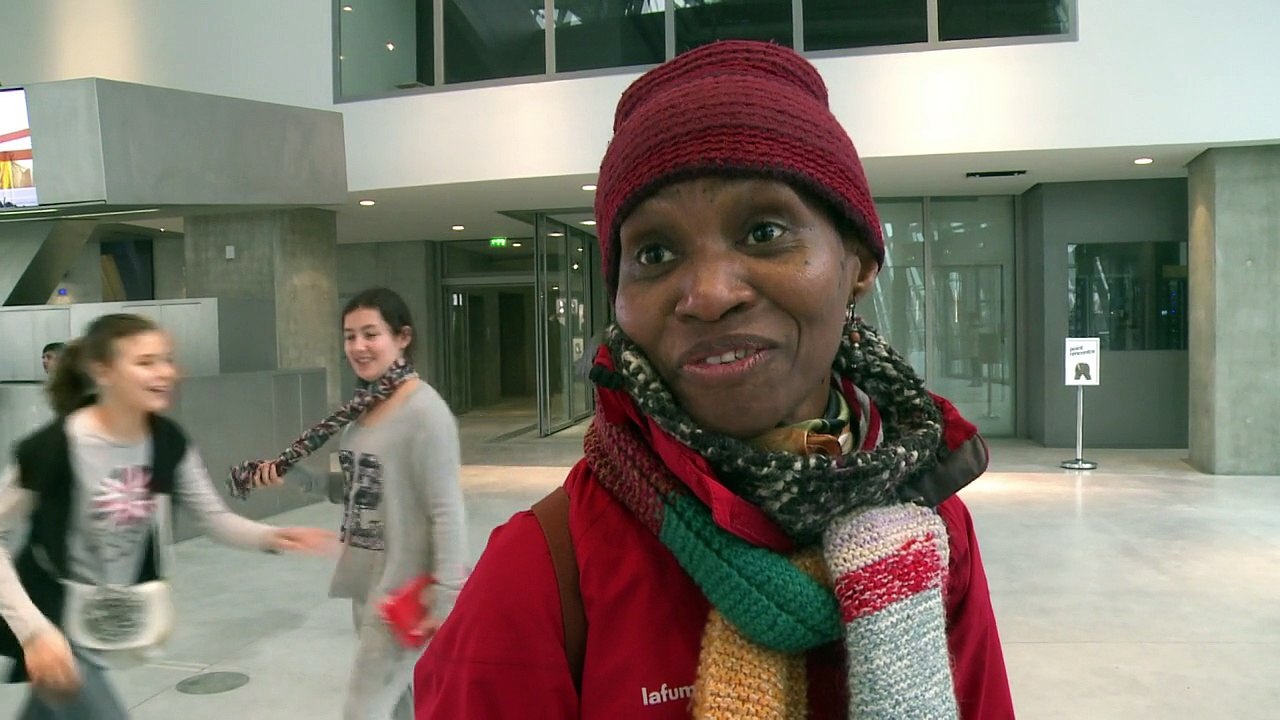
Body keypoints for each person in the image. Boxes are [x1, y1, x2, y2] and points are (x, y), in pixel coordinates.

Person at [414, 41, 1014, 719]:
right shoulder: (545, 572)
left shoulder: (933, 530)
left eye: (764, 231)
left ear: (859, 261)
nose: (707, 293)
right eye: (655, 252)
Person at [0, 313, 335, 720]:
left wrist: (273, 537)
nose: (164, 372)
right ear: (103, 371)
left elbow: (213, 518)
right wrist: (34, 631)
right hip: (55, 619)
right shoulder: (53, 448)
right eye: (145, 362)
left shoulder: (166, 441)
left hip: (104, 617)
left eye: (166, 359)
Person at [237, 287, 467, 720]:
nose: (358, 347)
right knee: (397, 707)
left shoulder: (425, 412)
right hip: (367, 583)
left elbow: (447, 510)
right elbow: (361, 490)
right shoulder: (365, 409)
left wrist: (448, 598)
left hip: (403, 589)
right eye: (349, 337)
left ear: (402, 338)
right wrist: (295, 477)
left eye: (370, 334)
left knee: (363, 712)